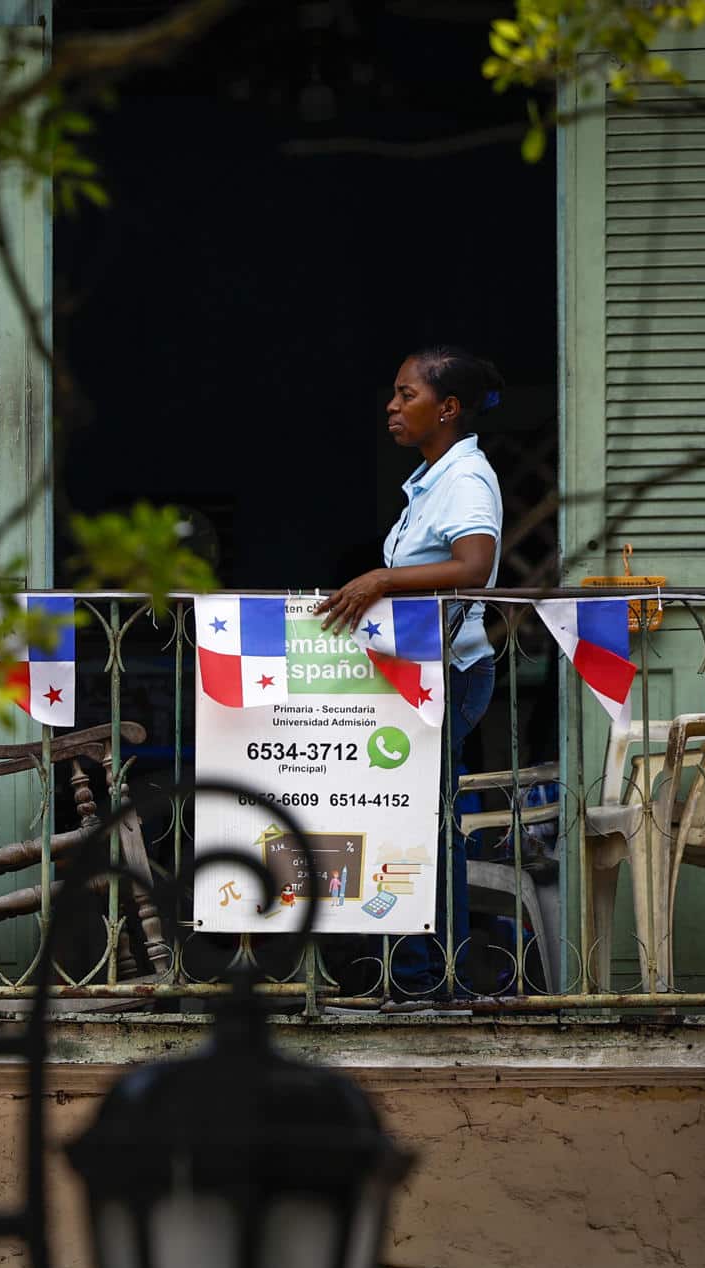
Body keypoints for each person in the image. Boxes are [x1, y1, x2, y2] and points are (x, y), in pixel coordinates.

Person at [314, 346, 504, 997]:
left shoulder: (466, 479)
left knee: (423, 818)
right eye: (394, 396)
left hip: (451, 673)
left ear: (447, 408)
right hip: (417, 673)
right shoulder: (432, 480)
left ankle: (432, 976)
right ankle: (410, 970)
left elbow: (474, 565)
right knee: (405, 813)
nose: (392, 407)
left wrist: (380, 578)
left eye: (406, 395)